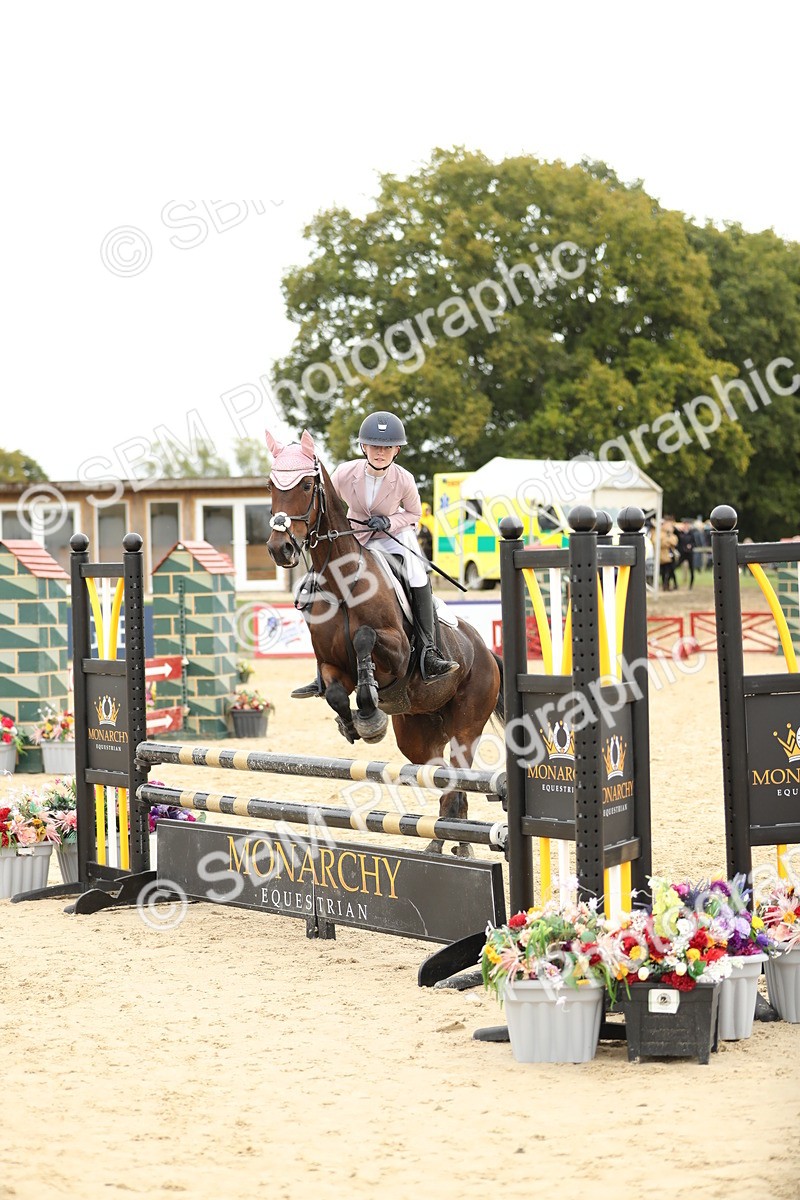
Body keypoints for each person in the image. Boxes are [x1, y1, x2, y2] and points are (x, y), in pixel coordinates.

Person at [291, 411, 459, 698]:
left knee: (417, 575)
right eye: (374, 446)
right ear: (363, 447)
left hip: (394, 538)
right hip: (355, 536)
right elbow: (328, 502)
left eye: (387, 447)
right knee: (311, 586)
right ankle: (322, 667)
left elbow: (415, 514)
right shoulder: (345, 473)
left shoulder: (404, 479)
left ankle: (429, 651)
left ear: (396, 450)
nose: (380, 452)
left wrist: (390, 521)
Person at [659, 519, 679, 590]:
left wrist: (667, 541)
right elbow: (660, 543)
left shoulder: (671, 535)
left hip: (671, 556)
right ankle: (665, 585)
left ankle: (673, 584)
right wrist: (668, 542)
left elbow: (674, 542)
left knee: (671, 571)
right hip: (663, 556)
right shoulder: (660, 534)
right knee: (664, 572)